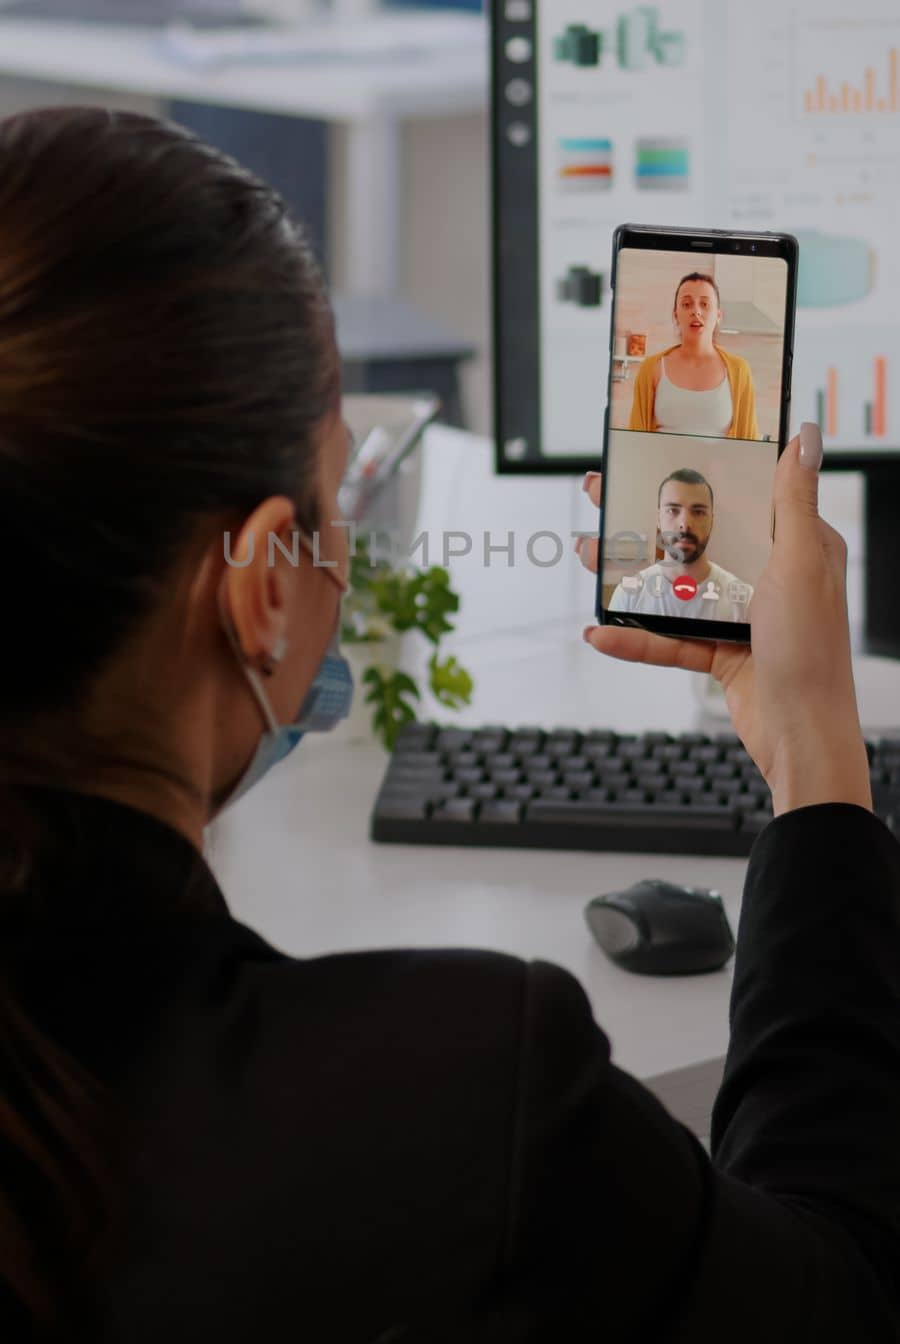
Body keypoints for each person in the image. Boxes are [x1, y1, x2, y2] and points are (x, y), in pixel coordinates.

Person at [0, 109, 898, 1343]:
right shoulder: (473, 1101)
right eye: (339, 498)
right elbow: (845, 1304)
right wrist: (816, 758)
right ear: (266, 586)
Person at [608, 467, 754, 621]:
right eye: (673, 510)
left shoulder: (744, 601)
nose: (685, 524)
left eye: (698, 512)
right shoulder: (629, 594)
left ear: (712, 520)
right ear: (658, 519)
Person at [628, 271, 761, 438]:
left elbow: (748, 442)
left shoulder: (739, 370)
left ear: (718, 315)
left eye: (705, 304)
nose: (696, 311)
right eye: (686, 304)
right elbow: (634, 441)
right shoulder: (650, 369)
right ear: (676, 314)